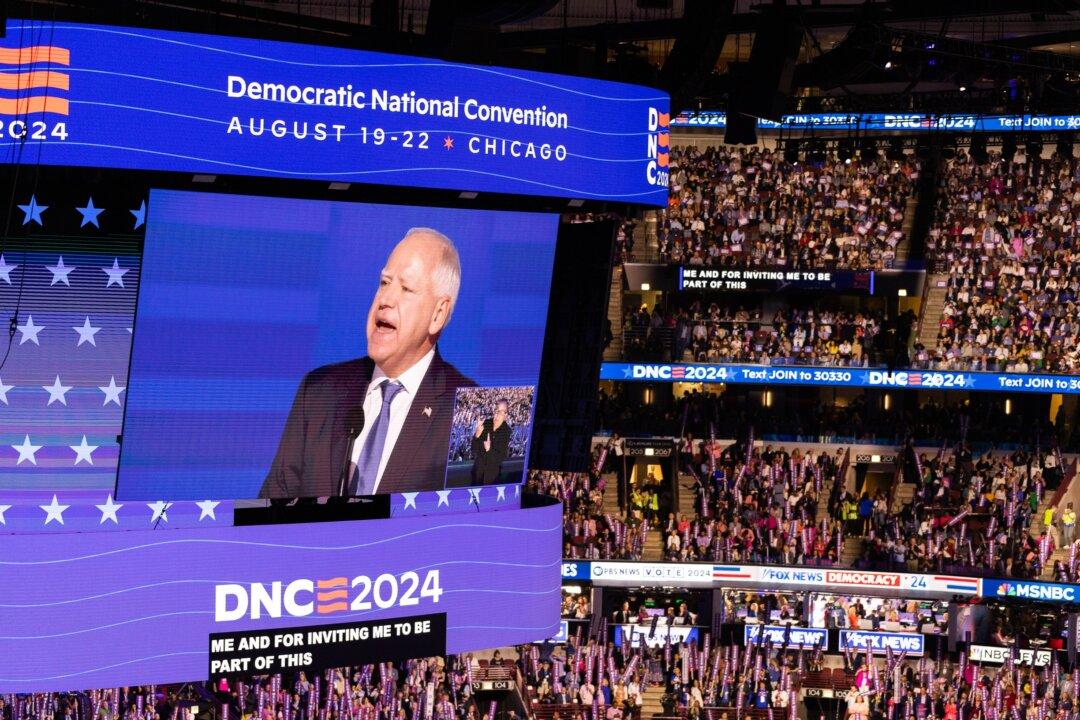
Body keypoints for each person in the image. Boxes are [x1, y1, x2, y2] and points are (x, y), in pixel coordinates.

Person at [261, 228, 475, 498]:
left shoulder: (467, 411)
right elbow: (273, 508)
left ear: (438, 314)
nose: (385, 299)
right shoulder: (318, 391)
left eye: (406, 289)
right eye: (384, 283)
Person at [471, 398, 512, 484]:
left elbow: (499, 458)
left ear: (506, 415)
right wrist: (477, 434)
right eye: (496, 411)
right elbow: (474, 450)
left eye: (501, 412)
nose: (497, 415)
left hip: (491, 479)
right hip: (477, 475)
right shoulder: (486, 424)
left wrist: (489, 449)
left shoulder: (506, 431)